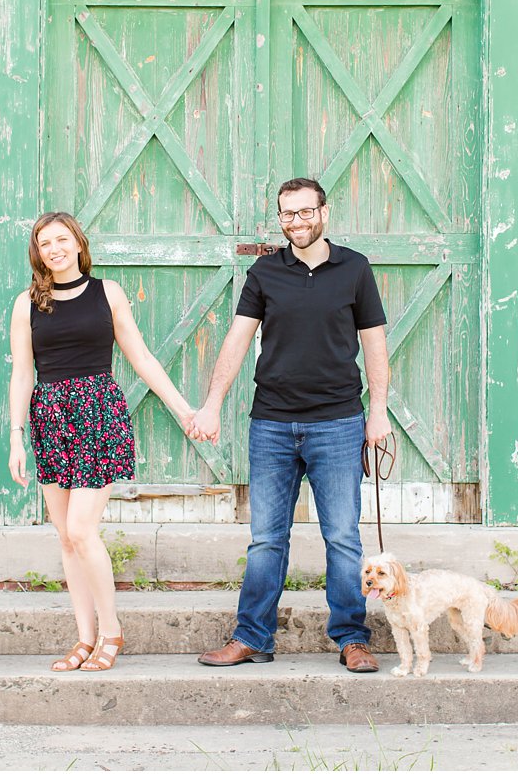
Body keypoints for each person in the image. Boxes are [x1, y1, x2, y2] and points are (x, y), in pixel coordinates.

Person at [188, 178, 390, 674]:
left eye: (305, 212)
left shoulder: (355, 269)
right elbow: (237, 339)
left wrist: (379, 410)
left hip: (338, 422)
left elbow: (375, 342)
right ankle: (252, 636)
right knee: (266, 539)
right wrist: (212, 403)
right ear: (279, 218)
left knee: (342, 536)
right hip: (272, 424)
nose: (297, 222)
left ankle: (351, 638)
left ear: (325, 211)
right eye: (287, 214)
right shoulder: (264, 272)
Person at [8, 211, 197, 672]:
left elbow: (142, 358)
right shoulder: (26, 303)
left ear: (77, 243)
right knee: (66, 539)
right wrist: (16, 437)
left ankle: (111, 629)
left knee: (80, 529)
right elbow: (21, 373)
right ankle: (84, 637)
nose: (53, 248)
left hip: (97, 413)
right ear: (38, 252)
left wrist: (183, 409)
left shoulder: (106, 294)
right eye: (44, 242)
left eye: (61, 239)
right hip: (50, 419)